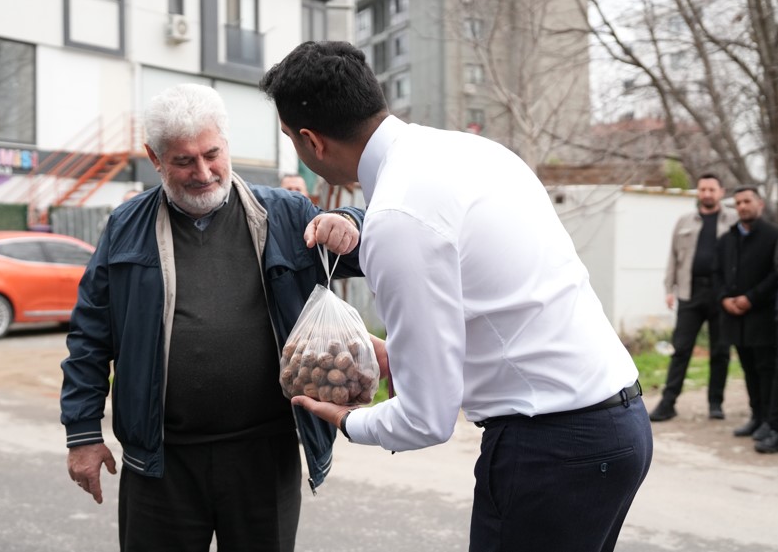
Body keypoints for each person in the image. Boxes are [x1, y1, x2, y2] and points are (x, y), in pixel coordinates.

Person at [259, 41, 653, 552]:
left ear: (312, 142)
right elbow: (500, 303)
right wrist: (399, 353)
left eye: (291, 139)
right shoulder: (473, 152)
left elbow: (426, 419)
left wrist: (351, 421)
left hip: (552, 448)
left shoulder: (399, 217)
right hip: (617, 425)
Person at [60, 83, 365, 551]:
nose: (203, 172)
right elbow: (90, 334)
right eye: (183, 161)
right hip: (161, 461)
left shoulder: (284, 214)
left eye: (212, 154)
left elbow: (369, 251)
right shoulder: (127, 226)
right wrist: (82, 434)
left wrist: (350, 224)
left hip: (264, 458)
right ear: (155, 158)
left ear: (227, 143)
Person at [649, 173, 739, 422]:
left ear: (721, 192)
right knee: (681, 349)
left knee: (720, 351)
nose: (707, 194)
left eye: (712, 189)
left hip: (722, 295)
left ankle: (715, 403)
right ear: (698, 192)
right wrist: (669, 288)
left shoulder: (733, 220)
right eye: (703, 189)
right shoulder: (684, 221)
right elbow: (673, 257)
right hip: (691, 292)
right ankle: (668, 403)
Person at [713, 185, 778, 447]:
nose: (742, 206)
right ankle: (757, 417)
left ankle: (768, 422)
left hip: (761, 315)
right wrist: (724, 299)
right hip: (735, 318)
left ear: (759, 204)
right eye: (738, 203)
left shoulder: (772, 236)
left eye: (747, 201)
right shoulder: (726, 239)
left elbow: (775, 275)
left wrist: (751, 297)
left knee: (766, 370)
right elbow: (716, 274)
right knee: (748, 369)